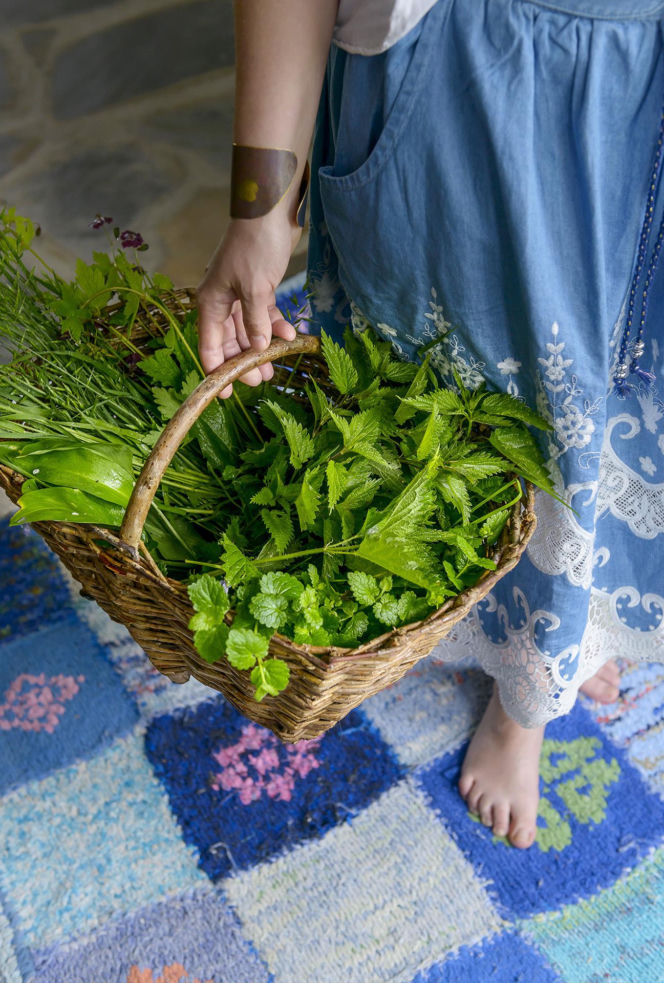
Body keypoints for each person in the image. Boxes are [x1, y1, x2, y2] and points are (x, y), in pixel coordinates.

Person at [196, 0, 664, 849]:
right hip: (467, 75)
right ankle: (524, 675)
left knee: (622, 381)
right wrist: (259, 217)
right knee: (464, 403)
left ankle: (557, 647)